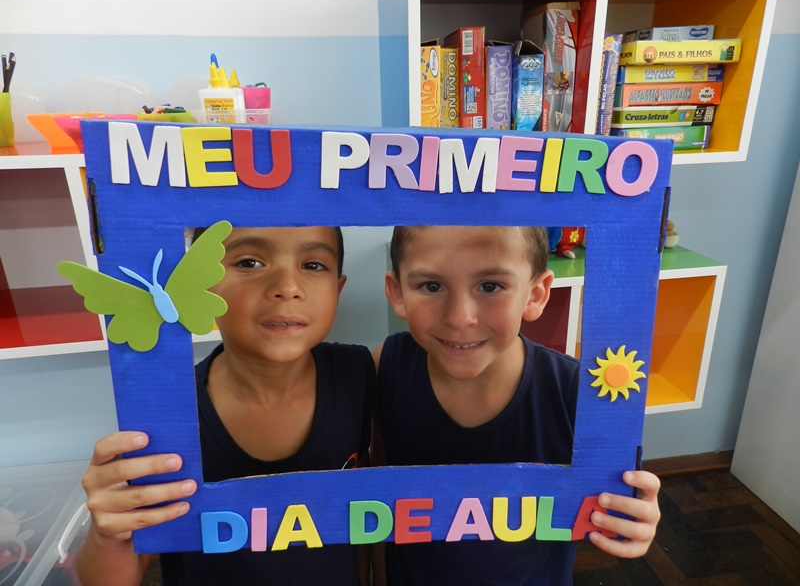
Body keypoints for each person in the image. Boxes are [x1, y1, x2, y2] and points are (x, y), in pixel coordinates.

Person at [76, 226, 374, 586]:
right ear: (201, 285)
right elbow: (113, 574)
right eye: (249, 262)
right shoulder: (168, 411)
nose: (288, 287)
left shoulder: (360, 374)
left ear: (337, 289)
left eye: (313, 265)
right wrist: (108, 534)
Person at [374, 225, 661, 585]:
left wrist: (635, 518)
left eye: (490, 286)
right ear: (397, 292)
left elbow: (619, 500)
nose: (460, 317)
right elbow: (373, 484)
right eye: (431, 286)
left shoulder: (577, 393)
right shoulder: (386, 367)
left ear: (535, 294)